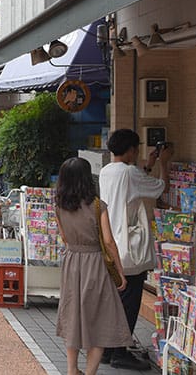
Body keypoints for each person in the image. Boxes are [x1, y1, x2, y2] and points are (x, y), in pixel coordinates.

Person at [99, 129, 172, 370]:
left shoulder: (107, 171)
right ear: (131, 149)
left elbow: (134, 182)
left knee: (114, 300)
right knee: (129, 302)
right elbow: (162, 188)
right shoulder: (130, 173)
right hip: (128, 249)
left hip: (109, 244)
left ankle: (108, 351)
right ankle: (120, 351)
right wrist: (165, 164)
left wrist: (148, 165)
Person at [54, 157, 131, 375]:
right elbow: (108, 241)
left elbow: (64, 238)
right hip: (95, 263)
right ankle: (89, 373)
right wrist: (119, 272)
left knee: (73, 316)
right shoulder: (98, 205)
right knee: (99, 319)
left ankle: (71, 369)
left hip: (72, 263)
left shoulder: (59, 206)